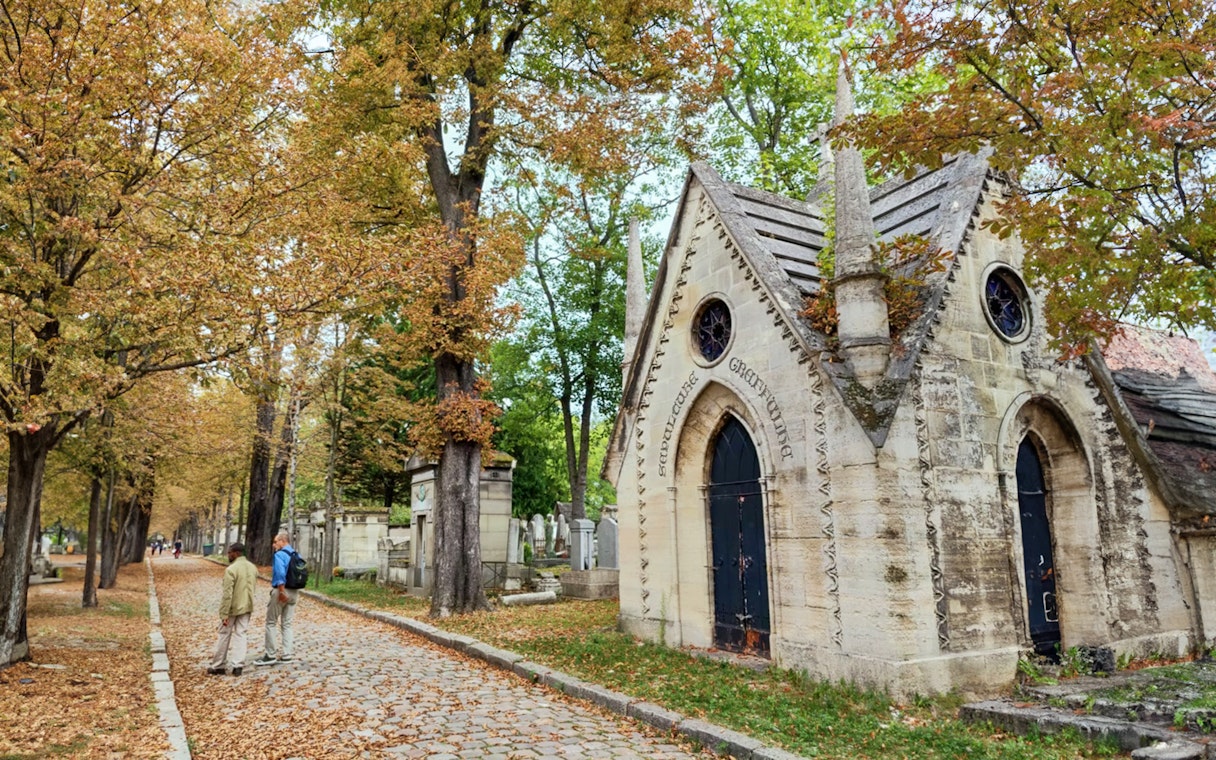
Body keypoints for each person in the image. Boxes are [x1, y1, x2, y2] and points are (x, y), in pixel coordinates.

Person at [207, 542, 258, 677]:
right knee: (241, 634)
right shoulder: (253, 568)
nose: (228, 555)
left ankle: (219, 664)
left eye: (229, 552)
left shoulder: (231, 570)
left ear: (236, 553)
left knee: (224, 634)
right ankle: (238, 665)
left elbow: (227, 594)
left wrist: (224, 613)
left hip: (232, 607)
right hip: (247, 606)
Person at [253, 532, 299, 666]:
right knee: (287, 624)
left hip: (282, 591)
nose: (273, 545)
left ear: (283, 541)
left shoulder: (280, 555)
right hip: (294, 592)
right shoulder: (296, 554)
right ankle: (287, 654)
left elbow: (279, 573)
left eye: (275, 542)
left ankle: (270, 654)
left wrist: (281, 590)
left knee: (271, 622)